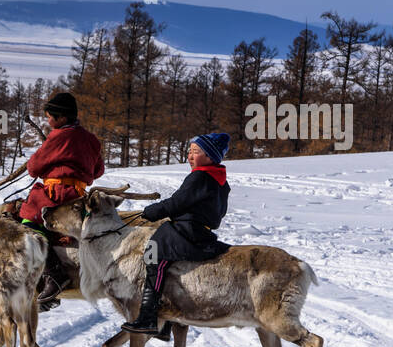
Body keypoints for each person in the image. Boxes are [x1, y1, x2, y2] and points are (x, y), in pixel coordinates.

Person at [122, 132, 232, 334]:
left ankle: (148, 317)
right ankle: (167, 323)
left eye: (196, 152)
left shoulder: (199, 176)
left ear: (210, 157)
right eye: (189, 151)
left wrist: (151, 212)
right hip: (203, 232)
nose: (190, 156)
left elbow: (176, 203)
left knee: (153, 255)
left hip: (186, 232)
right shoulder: (222, 182)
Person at [17, 92, 104, 306]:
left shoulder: (59, 136)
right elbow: (98, 170)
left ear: (62, 118)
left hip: (56, 195)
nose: (48, 121)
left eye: (50, 117)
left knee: (28, 227)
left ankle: (54, 274)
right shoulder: (91, 139)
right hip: (78, 197)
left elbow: (33, 167)